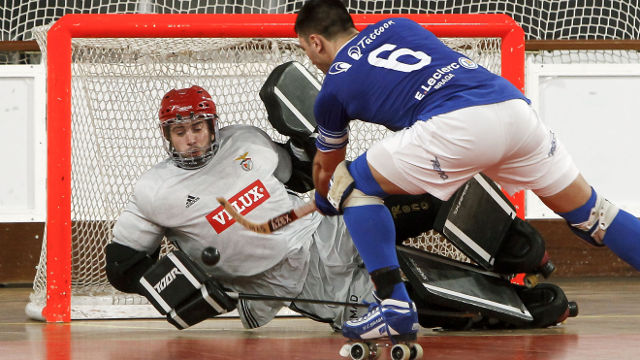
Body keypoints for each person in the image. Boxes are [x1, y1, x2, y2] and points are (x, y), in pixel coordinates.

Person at [294, 0, 640, 343]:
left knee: (352, 186)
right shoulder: (399, 25)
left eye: (304, 49)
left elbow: (329, 167)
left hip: (457, 126)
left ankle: (393, 306)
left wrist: (326, 200)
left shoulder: (332, 89)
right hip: (513, 110)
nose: (310, 59)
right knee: (595, 217)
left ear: (316, 42)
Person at [105, 85, 372, 330]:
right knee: (391, 310)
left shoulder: (246, 140)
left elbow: (298, 178)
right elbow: (121, 265)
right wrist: (173, 285)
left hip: (322, 230)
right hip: (284, 281)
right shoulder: (154, 190)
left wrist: (303, 143)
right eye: (180, 132)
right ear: (167, 136)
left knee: (403, 204)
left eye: (197, 128)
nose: (191, 139)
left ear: (212, 126)